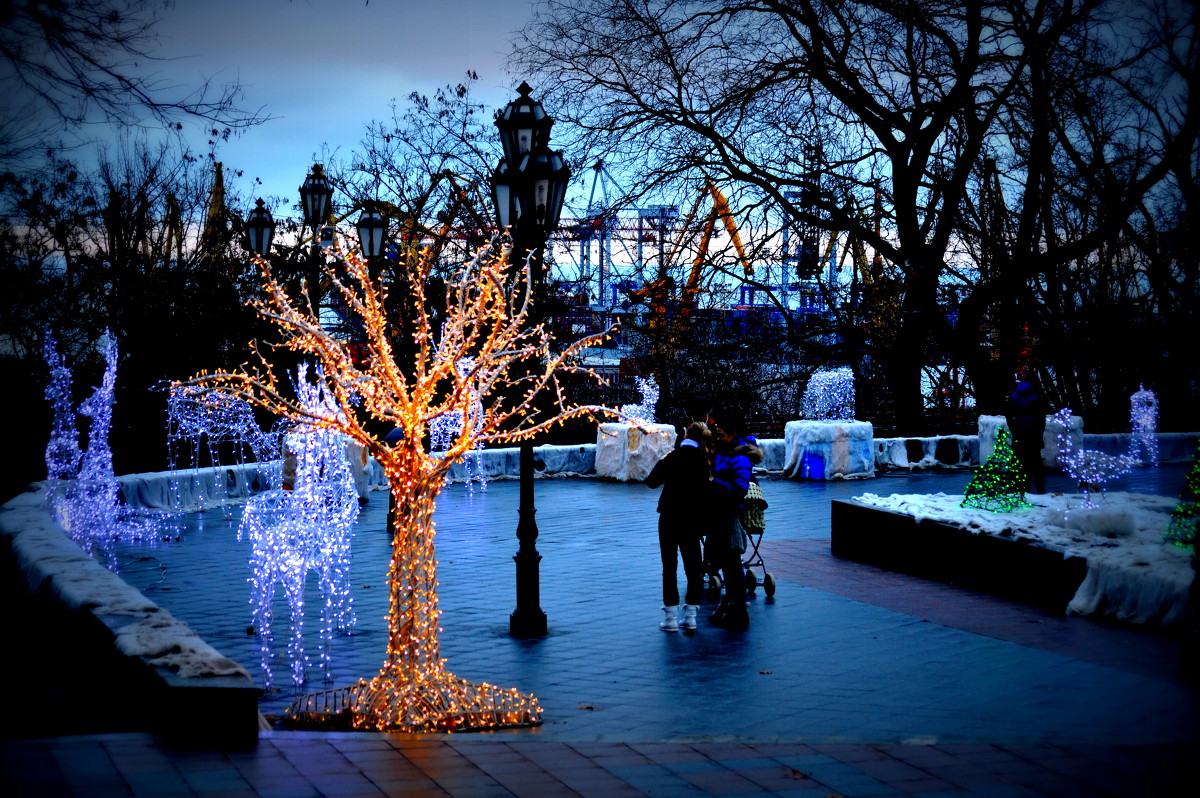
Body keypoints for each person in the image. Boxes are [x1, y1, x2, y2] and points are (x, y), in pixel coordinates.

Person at [645, 421, 714, 631]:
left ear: (685, 436)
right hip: (692, 518)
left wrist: (662, 460)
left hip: (669, 516)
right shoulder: (705, 460)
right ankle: (691, 615)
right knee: (693, 567)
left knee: (669, 566)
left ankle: (670, 617)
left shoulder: (674, 457)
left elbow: (652, 482)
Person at [707, 411, 762, 631]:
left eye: (721, 435)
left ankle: (738, 611)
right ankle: (733, 607)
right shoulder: (728, 451)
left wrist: (716, 484)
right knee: (728, 563)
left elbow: (740, 487)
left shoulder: (739, 456)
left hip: (729, 512)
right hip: (721, 511)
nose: (718, 439)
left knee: (731, 563)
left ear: (733, 434)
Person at [1006, 378, 1048, 494]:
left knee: (1019, 461)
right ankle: (1040, 489)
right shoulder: (1037, 397)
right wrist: (1039, 433)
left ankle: (1020, 488)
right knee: (1036, 460)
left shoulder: (1013, 397)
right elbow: (1041, 418)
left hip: (1019, 432)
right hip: (1034, 432)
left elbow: (1009, 416)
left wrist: (1014, 430)